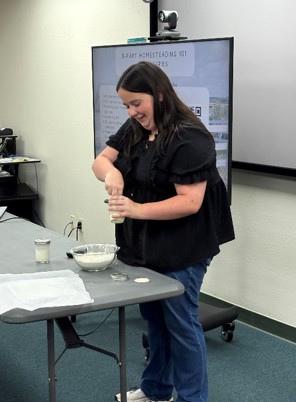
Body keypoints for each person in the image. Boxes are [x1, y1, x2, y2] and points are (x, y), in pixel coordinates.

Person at [92, 61, 235, 402]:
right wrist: (111, 174)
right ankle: (156, 389)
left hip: (185, 243)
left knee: (181, 324)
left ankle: (191, 398)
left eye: (136, 103)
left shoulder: (190, 136)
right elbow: (100, 161)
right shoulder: (135, 128)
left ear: (158, 94)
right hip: (148, 241)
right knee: (154, 318)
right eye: (126, 105)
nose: (131, 111)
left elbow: (189, 202)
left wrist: (136, 209)